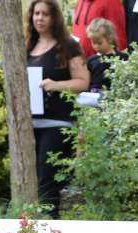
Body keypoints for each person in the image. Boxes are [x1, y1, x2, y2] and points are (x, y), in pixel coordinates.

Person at [26, 0, 89, 218]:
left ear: (55, 18)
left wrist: (56, 85)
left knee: (47, 181)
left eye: (45, 14)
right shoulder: (26, 46)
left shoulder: (68, 46)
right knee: (30, 181)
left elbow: (82, 81)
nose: (40, 18)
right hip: (29, 125)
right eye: (36, 13)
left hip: (57, 126)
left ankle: (48, 231)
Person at [86, 17, 119, 90]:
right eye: (93, 43)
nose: (96, 46)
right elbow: (86, 84)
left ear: (110, 39)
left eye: (99, 43)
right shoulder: (91, 61)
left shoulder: (121, 58)